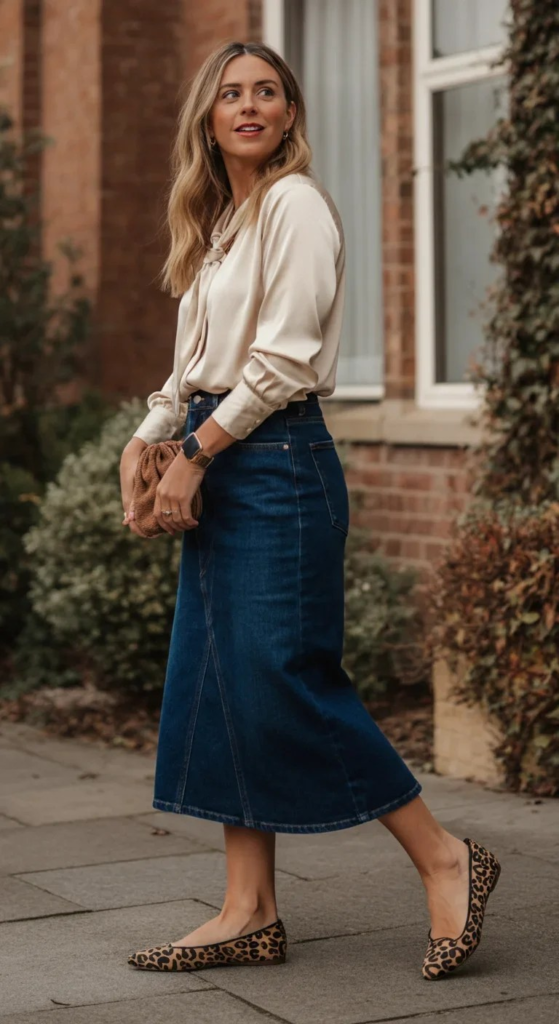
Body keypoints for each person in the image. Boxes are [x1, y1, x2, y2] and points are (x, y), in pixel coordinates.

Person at [120, 40, 501, 981]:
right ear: (209, 119)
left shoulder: (294, 205)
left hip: (275, 460)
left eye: (267, 92)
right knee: (219, 681)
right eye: (231, 94)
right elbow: (193, 367)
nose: (249, 105)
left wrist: (194, 458)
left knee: (286, 676)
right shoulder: (222, 223)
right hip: (224, 449)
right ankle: (247, 910)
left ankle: (446, 858)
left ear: (290, 113)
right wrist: (149, 436)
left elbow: (282, 361)